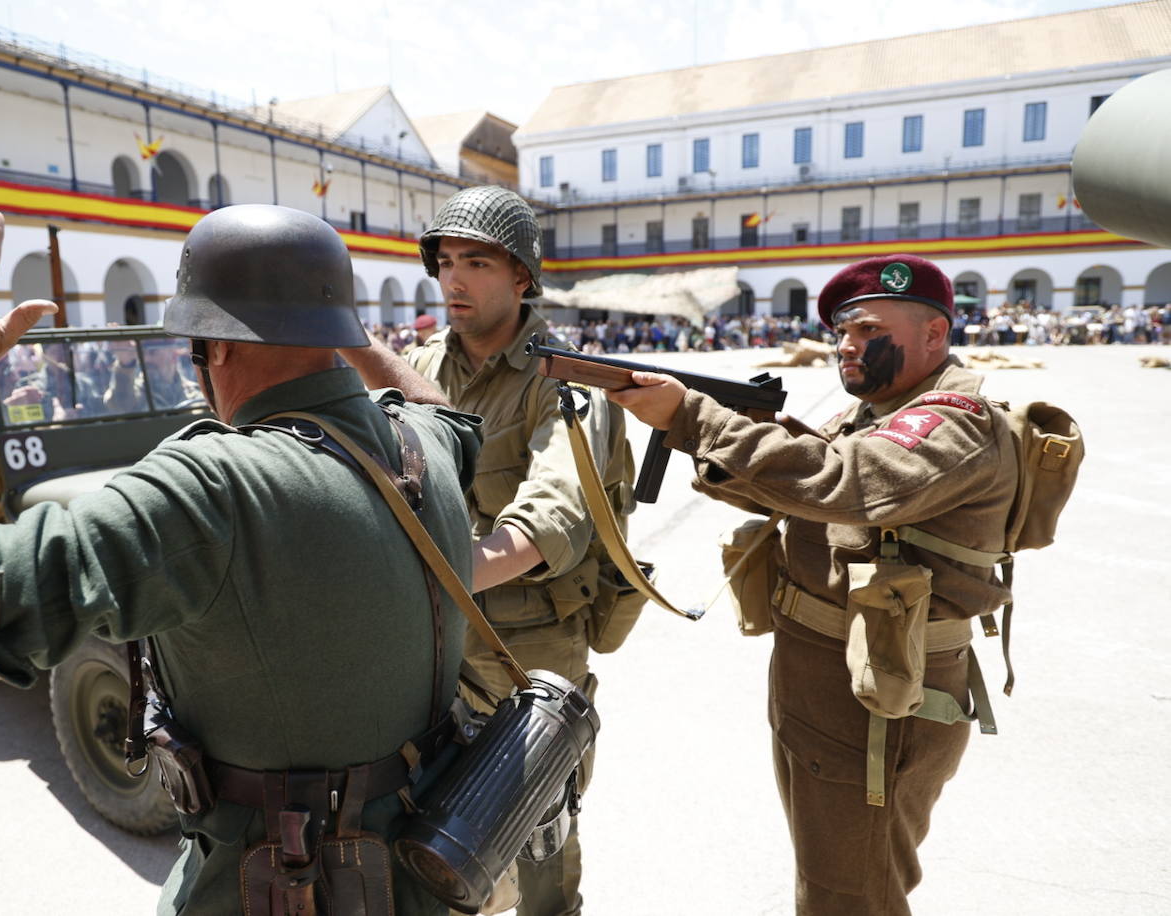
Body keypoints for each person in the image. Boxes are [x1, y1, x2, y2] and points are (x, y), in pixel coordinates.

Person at [0, 189, 483, 915]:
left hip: (278, 887)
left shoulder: (213, 485)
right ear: (335, 328)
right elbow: (446, 413)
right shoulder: (425, 445)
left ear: (212, 347)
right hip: (430, 865)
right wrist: (337, 324)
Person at [610, 254, 1020, 915]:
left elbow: (842, 481)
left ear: (934, 336)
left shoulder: (951, 420)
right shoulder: (877, 411)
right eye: (841, 334)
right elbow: (803, 487)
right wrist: (703, 433)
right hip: (824, 676)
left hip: (881, 694)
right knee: (828, 876)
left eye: (865, 331)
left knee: (851, 893)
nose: (847, 348)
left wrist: (694, 418)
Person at [388, 185, 634, 916]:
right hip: (431, 638)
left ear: (523, 277)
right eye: (446, 262)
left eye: (478, 263)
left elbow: (551, 517)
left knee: (534, 834)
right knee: (431, 829)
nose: (455, 280)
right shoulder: (419, 365)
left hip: (526, 646)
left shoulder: (568, 379)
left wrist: (436, 571)